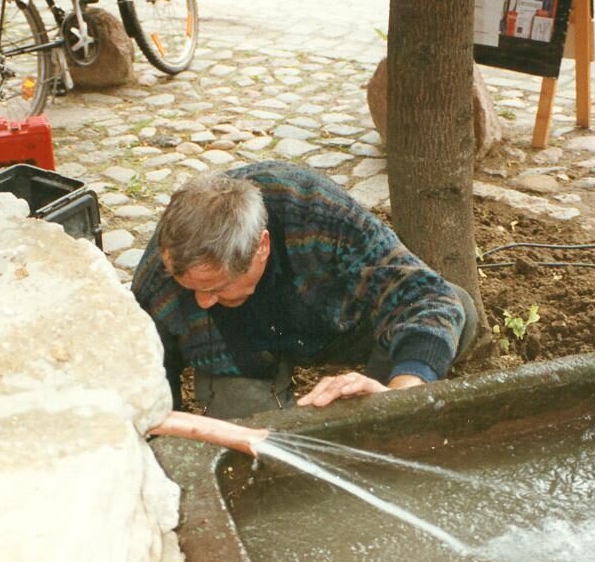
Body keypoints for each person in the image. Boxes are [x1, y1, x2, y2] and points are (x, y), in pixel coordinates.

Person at [131, 160, 478, 419]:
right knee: (261, 442)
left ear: (261, 247)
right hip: (236, 356)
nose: (202, 302)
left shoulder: (316, 212)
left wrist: (398, 395)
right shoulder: (157, 279)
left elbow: (428, 298)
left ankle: (372, 404)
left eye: (216, 288)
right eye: (189, 288)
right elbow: (146, 382)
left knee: (458, 310)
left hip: (332, 324)